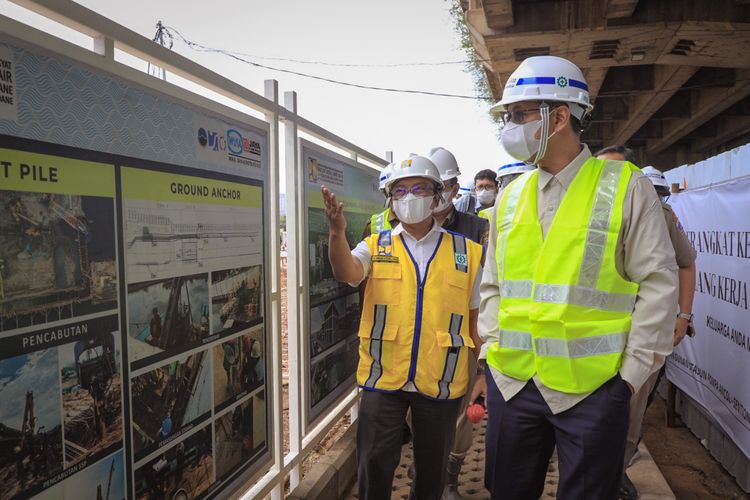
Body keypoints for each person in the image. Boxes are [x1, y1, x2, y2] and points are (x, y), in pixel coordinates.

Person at [474, 55, 679, 499]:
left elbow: (659, 283)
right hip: (513, 385)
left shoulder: (624, 186)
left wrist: (630, 378)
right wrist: (490, 358)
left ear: (560, 116)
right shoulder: (510, 196)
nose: (510, 125)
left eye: (519, 114)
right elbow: (492, 286)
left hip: (594, 390)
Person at [322, 155, 484, 500]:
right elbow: (347, 272)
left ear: (437, 195)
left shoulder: (467, 253)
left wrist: (481, 371)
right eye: (401, 190)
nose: (410, 196)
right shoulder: (375, 246)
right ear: (391, 199)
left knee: (431, 471)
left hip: (440, 379)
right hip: (384, 376)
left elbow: (476, 320)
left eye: (419, 188)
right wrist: (336, 233)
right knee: (375, 463)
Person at [592, 157, 697, 500]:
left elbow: (686, 262)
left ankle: (616, 474)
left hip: (643, 331)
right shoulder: (584, 212)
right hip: (593, 333)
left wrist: (684, 315)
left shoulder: (661, 217)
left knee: (631, 410)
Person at [427, 146, 489, 498]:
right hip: (418, 333)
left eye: (445, 184)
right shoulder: (398, 225)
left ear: (454, 186)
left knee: (464, 409)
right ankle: (425, 464)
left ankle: (450, 475)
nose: (438, 193)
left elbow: (488, 290)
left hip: (463, 333)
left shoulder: (477, 229)